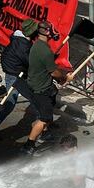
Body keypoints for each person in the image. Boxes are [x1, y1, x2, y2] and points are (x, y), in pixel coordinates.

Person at [22, 21, 68, 155]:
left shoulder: (38, 45)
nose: (55, 32)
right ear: (47, 32)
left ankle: (42, 132)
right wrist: (64, 77)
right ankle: (29, 145)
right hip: (41, 90)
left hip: (39, 86)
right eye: (52, 29)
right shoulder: (45, 51)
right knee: (45, 118)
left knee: (46, 112)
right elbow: (54, 72)